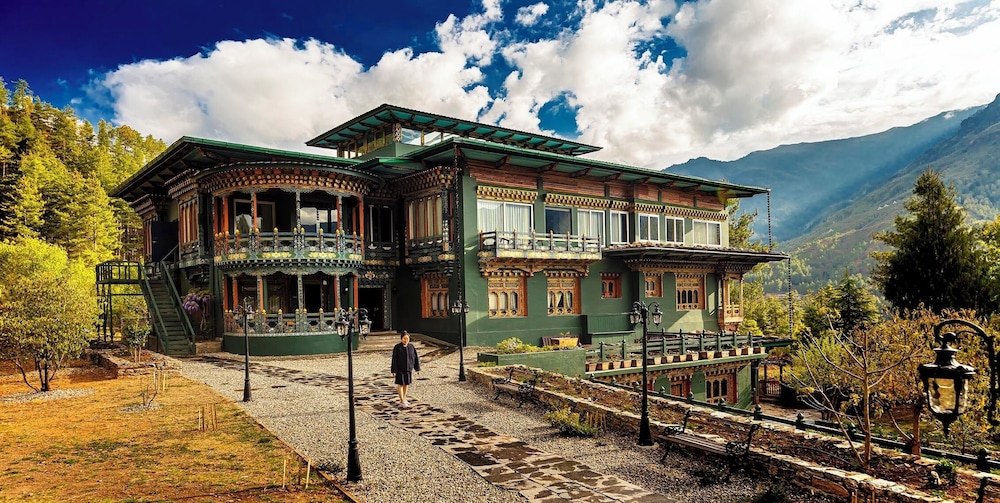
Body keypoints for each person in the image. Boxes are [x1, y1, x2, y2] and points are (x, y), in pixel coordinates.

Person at [390, 331, 420, 408]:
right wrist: (393, 370)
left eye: (407, 338)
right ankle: (402, 400)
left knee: (406, 384)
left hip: (408, 369)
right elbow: (394, 359)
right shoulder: (397, 347)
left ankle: (404, 398)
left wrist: (417, 368)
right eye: (404, 338)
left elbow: (415, 358)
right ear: (401, 339)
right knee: (400, 384)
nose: (405, 340)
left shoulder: (411, 347)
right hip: (400, 369)